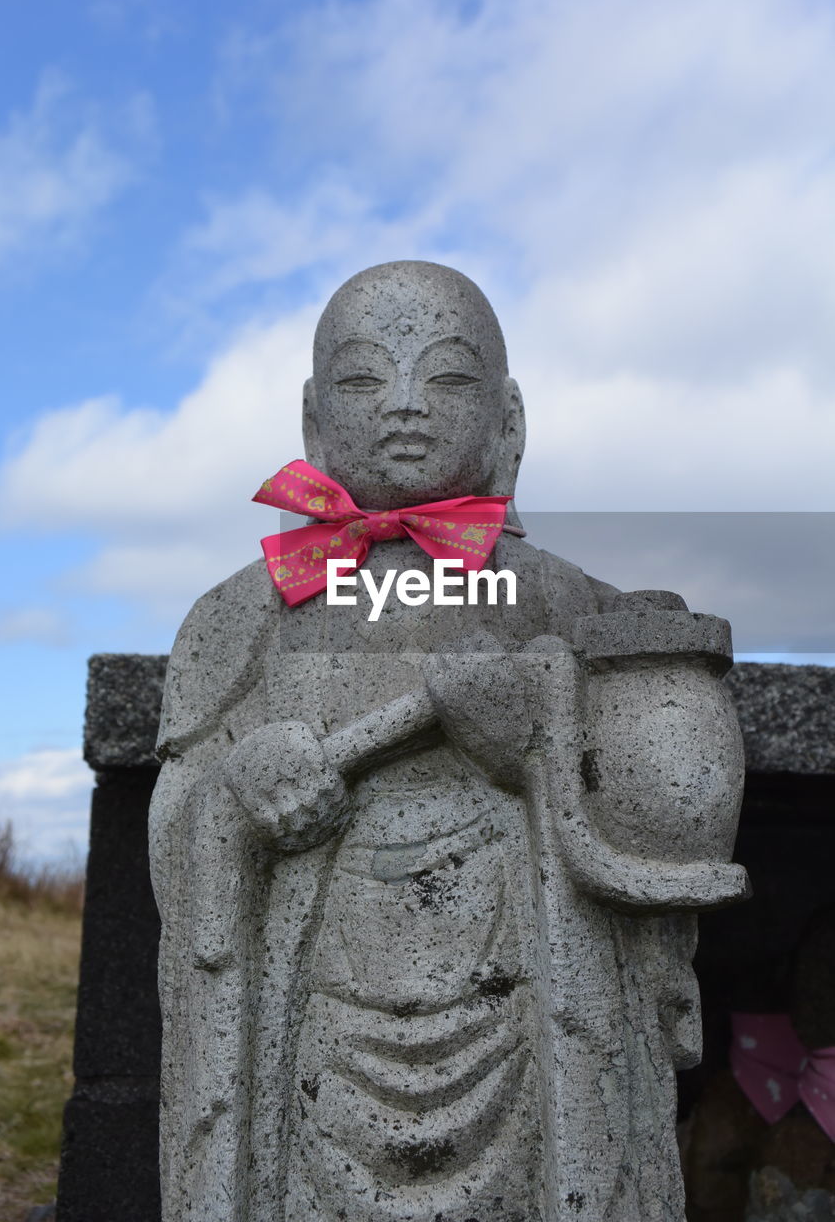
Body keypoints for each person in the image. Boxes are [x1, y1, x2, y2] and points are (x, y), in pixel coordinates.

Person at [149, 261, 746, 1222]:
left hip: (527, 1013)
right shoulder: (239, 620)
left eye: (450, 379)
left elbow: (661, 812)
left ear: (508, 421)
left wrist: (535, 753)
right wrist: (239, 790)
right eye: (362, 380)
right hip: (315, 1020)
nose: (405, 407)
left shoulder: (566, 602)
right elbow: (183, 820)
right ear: (311, 422)